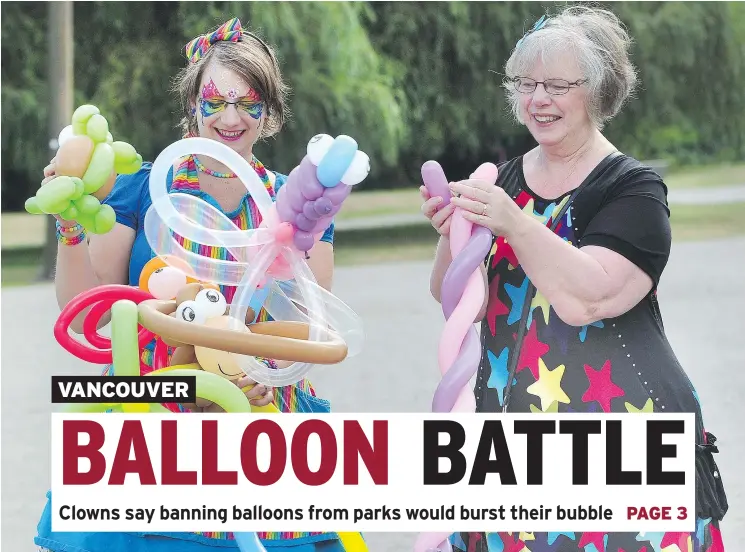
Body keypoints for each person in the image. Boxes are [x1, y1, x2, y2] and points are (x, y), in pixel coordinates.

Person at [420, 7, 727, 551]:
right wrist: (453, 234)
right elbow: (449, 295)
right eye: (527, 84)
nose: (539, 99)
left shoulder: (633, 191)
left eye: (559, 85)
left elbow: (589, 298)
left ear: (599, 90)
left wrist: (512, 221)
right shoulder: (504, 181)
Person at [35, 18, 346, 552]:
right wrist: (68, 224)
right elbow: (86, 309)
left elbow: (308, 327)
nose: (230, 117)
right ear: (192, 106)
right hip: (155, 415)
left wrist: (263, 377)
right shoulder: (143, 189)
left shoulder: (295, 202)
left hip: (258, 414)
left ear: (269, 114)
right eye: (214, 100)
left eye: (248, 103)